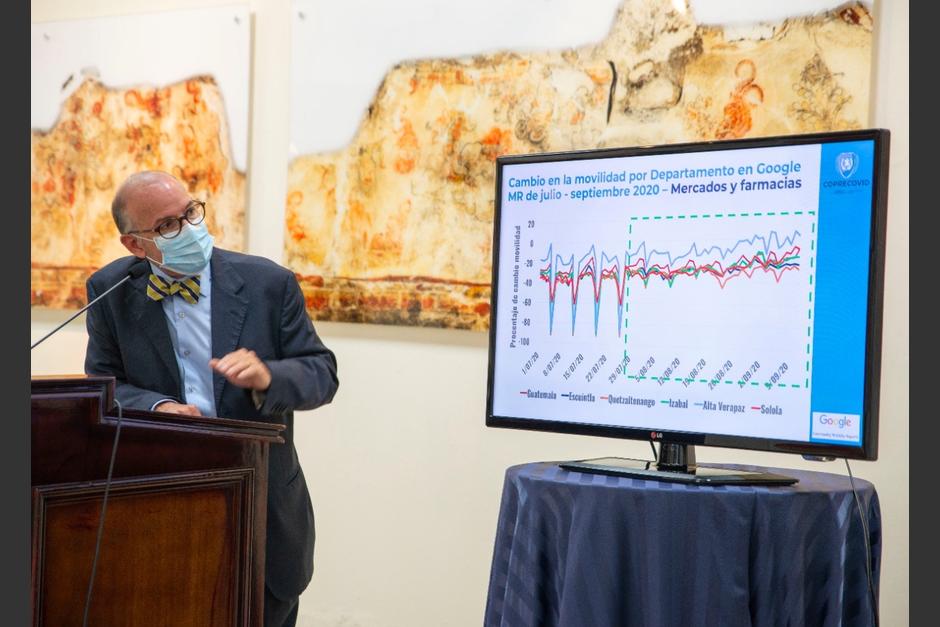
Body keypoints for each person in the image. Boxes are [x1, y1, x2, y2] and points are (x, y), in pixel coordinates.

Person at [84, 170, 339, 627]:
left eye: (191, 212)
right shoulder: (110, 290)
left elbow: (322, 374)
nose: (189, 228)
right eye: (167, 225)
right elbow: (105, 383)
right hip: (160, 508)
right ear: (134, 245)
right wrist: (158, 408)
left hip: (262, 508)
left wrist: (268, 376)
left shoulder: (268, 283)